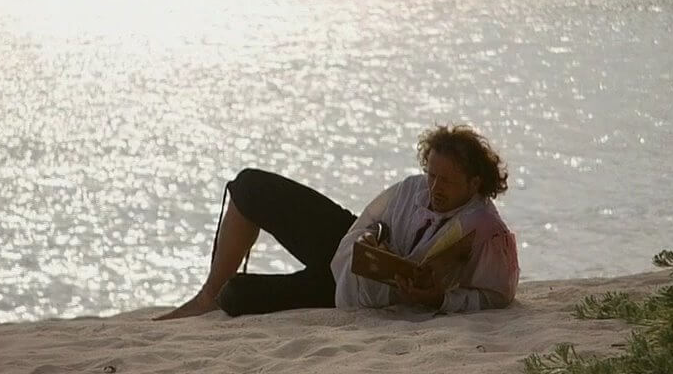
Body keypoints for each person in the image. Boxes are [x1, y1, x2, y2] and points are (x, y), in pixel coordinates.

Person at [153, 124, 519, 320]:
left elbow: (496, 296)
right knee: (251, 186)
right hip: (351, 253)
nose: (434, 188)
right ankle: (205, 296)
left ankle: (219, 297)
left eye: (446, 181)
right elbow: (373, 220)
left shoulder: (487, 231)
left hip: (360, 295)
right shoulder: (413, 188)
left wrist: (439, 298)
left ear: (475, 183)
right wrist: (371, 238)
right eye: (431, 175)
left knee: (236, 295)